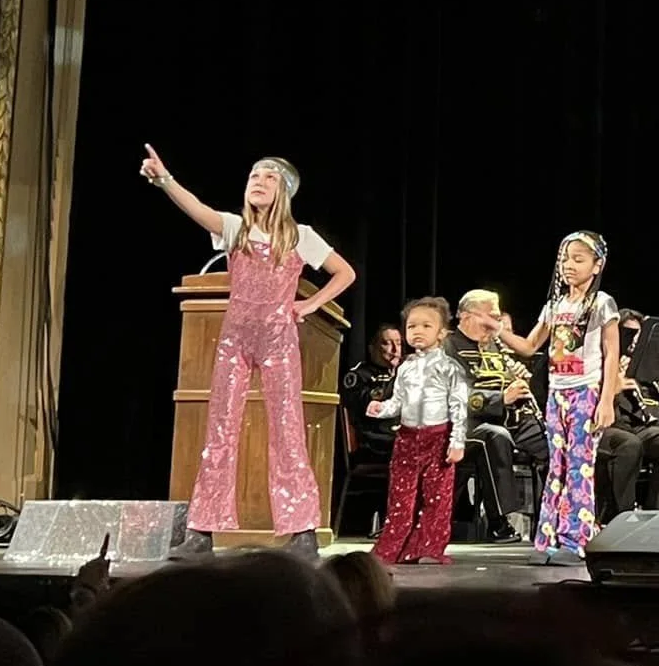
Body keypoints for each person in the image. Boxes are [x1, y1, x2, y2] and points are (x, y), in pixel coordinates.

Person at [139, 147, 355, 558]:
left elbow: (345, 272)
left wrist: (310, 305)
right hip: (234, 341)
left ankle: (302, 531)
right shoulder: (235, 228)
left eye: (270, 177)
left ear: (284, 191)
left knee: (287, 432)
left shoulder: (300, 236)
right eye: (255, 175)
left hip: (278, 342)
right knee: (219, 431)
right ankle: (202, 530)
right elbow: (196, 208)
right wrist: (165, 179)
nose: (259, 181)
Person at [496, 232, 621, 563]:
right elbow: (529, 346)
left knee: (580, 466)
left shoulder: (602, 303)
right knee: (557, 466)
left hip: (586, 391)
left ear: (597, 265)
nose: (569, 265)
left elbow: (611, 353)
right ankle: (548, 538)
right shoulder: (555, 305)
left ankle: (576, 538)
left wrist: (606, 399)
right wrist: (497, 329)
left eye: (579, 259)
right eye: (565, 259)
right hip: (557, 393)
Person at [364, 297, 468, 565]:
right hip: (407, 438)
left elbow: (459, 406)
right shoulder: (405, 366)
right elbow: (398, 402)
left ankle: (428, 548)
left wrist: (457, 441)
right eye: (412, 326)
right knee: (401, 496)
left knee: (436, 497)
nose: (417, 331)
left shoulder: (450, 368)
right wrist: (381, 409)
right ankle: (393, 547)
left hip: (438, 437)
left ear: (442, 333)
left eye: (426, 326)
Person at [444, 289, 546, 541]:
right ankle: (499, 523)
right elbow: (454, 395)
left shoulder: (495, 346)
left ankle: (551, 519)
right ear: (466, 316)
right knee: (495, 436)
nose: (496, 324)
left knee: (554, 441)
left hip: (511, 419)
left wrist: (523, 383)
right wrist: (501, 398)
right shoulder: (448, 347)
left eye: (498, 317)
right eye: (491, 317)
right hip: (470, 424)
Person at [604, 311, 659, 516]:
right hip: (612, 426)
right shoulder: (605, 359)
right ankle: (622, 516)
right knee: (629, 444)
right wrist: (615, 386)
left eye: (639, 335)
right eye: (629, 334)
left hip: (640, 427)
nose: (635, 341)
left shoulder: (646, 364)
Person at [340, 324, 404, 459]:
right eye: (387, 343)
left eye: (398, 343)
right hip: (374, 441)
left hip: (399, 435)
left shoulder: (405, 373)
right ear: (372, 348)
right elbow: (370, 408)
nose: (395, 349)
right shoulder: (358, 376)